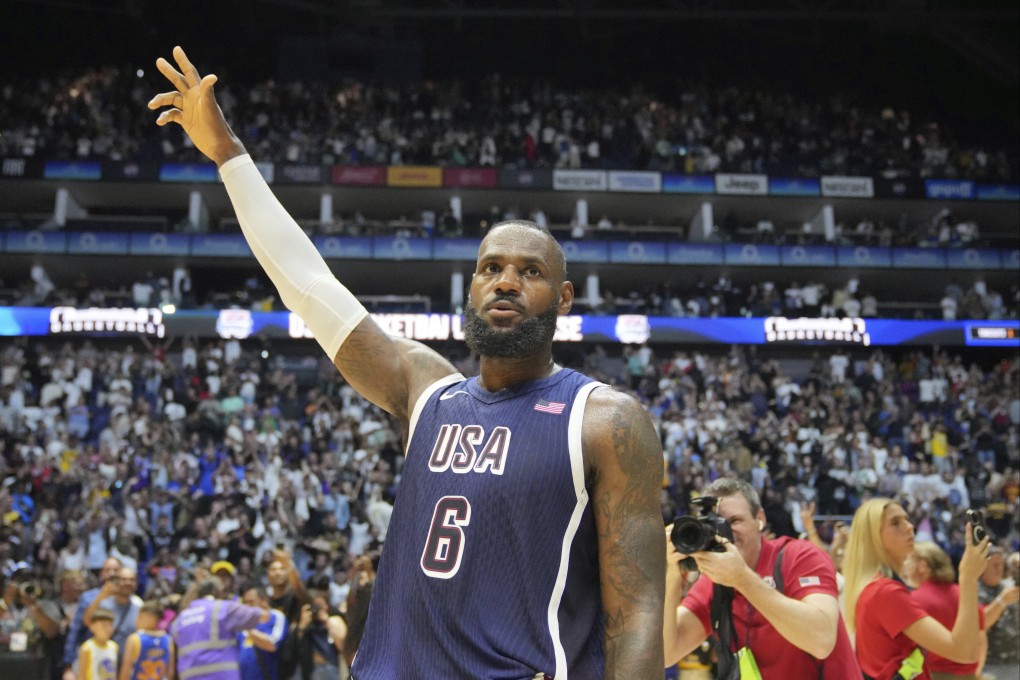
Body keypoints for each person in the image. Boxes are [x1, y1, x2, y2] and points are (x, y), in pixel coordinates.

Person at [149, 46, 665, 679]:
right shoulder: (427, 392)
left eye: (530, 272)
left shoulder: (606, 420)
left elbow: (637, 613)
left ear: (561, 299)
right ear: (470, 290)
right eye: (490, 269)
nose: (505, 282)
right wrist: (230, 156)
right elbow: (311, 286)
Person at [662, 478, 860, 677]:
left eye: (735, 521)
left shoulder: (800, 556)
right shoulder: (713, 581)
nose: (725, 532)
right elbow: (666, 653)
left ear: (760, 519)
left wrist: (742, 579)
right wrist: (670, 574)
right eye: (714, 525)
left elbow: (821, 641)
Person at [844, 499, 989, 680]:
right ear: (873, 537)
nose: (909, 526)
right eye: (896, 523)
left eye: (907, 519)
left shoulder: (873, 587)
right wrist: (968, 579)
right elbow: (964, 652)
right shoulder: (886, 592)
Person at [904, 542, 986, 679]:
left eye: (909, 560)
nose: (905, 565)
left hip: (933, 675)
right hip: (970, 675)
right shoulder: (967, 595)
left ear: (923, 565)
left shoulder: (914, 600)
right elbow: (981, 640)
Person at [170, 577, 268, 680]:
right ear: (218, 592)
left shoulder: (179, 620)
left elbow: (172, 663)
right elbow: (261, 615)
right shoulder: (221, 608)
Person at [64, 557, 122, 680]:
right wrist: (68, 666)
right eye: (108, 570)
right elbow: (75, 631)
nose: (112, 573)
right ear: (101, 574)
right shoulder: (88, 597)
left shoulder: (129, 599)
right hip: (91, 658)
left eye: (116, 570)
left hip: (119, 660)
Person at [82, 568, 143, 664]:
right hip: (103, 661)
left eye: (131, 580)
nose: (128, 583)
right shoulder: (104, 604)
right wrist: (102, 595)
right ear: (116, 582)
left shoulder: (139, 606)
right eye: (124, 579)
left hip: (127, 663)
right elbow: (87, 621)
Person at [976, 547, 1020, 678]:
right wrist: (1001, 601)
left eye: (1001, 564)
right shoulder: (974, 591)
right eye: (995, 565)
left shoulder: (1008, 587)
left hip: (1015, 660)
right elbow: (979, 625)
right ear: (982, 566)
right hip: (990, 663)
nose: (999, 568)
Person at [237, 585, 288, 680]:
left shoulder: (276, 616)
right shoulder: (241, 623)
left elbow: (272, 645)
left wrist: (247, 627)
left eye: (251, 602)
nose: (247, 607)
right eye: (245, 603)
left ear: (264, 601)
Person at [118, 601, 174, 680]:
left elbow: (125, 671)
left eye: (140, 617)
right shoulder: (168, 639)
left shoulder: (135, 639)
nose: (136, 621)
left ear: (151, 617)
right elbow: (170, 673)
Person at [77, 608, 118, 680]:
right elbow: (81, 676)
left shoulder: (114, 646)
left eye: (110, 625)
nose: (108, 628)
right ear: (92, 627)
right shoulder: (87, 648)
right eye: (104, 625)